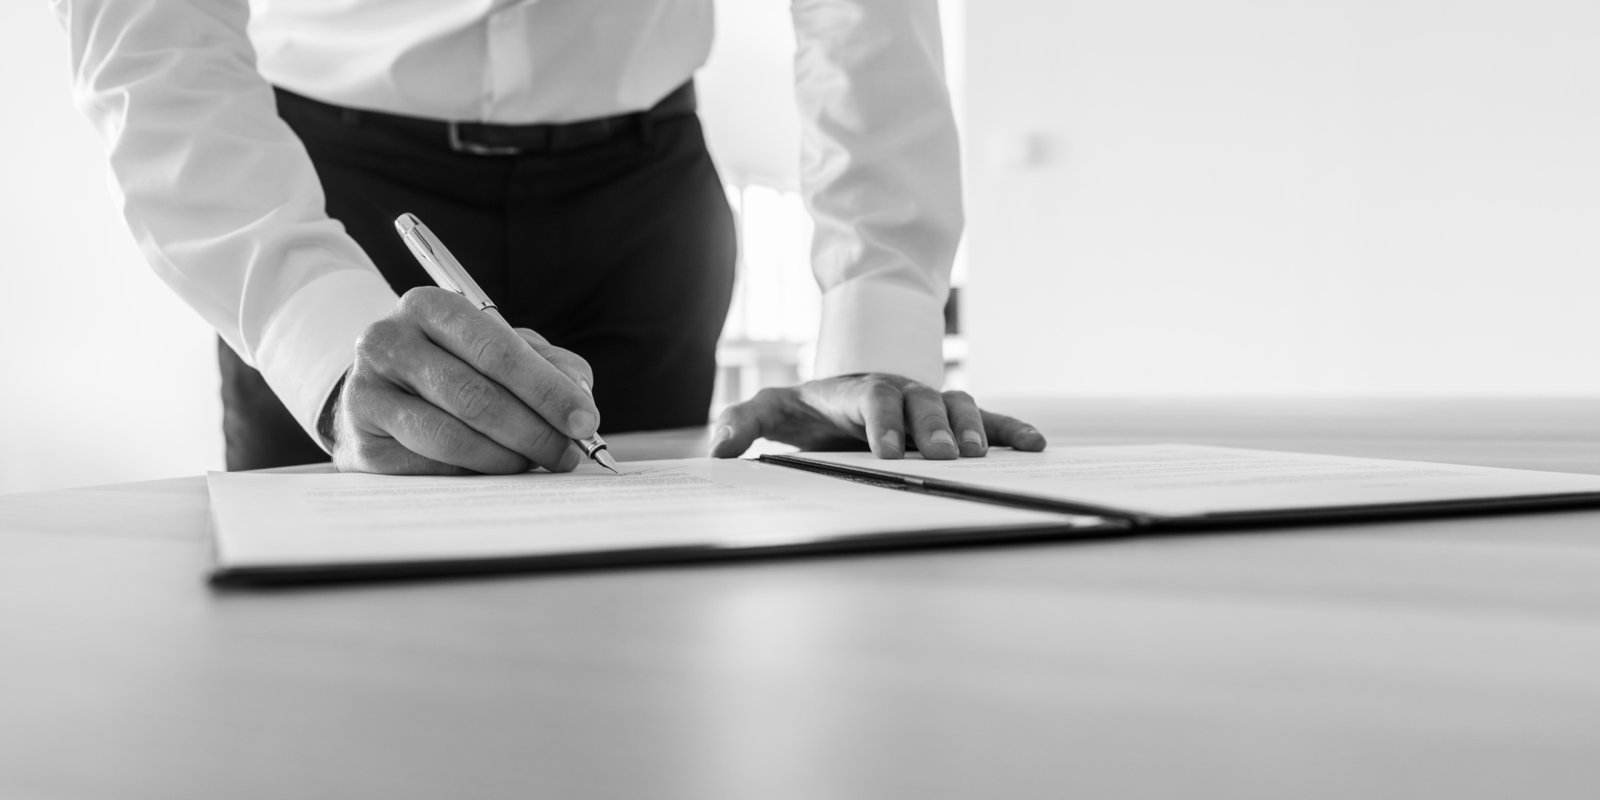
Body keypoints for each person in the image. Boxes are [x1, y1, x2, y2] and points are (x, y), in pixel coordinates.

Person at [55, 0, 1045, 475]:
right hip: (329, 190)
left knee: (630, 639)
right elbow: (151, 34)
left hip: (641, 198)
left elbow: (862, 19)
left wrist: (876, 334)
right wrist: (315, 339)